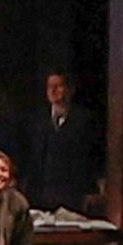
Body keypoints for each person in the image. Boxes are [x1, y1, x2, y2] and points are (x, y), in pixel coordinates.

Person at [18, 70, 106, 215]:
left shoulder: (86, 120)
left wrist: (99, 188)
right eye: (50, 86)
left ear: (71, 90)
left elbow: (97, 157)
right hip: (41, 195)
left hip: (75, 194)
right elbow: (28, 156)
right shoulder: (36, 120)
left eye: (58, 86)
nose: (53, 90)